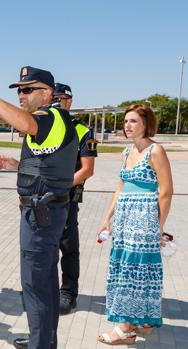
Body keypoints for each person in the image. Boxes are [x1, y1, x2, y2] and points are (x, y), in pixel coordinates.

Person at [0, 58, 77, 349]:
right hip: (43, 211)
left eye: (28, 89)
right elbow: (46, 165)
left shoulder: (50, 117)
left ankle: (40, 344)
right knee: (44, 286)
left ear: (48, 93)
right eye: (19, 90)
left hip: (42, 216)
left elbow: (26, 123)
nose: (21, 95)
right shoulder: (53, 122)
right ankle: (43, 340)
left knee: (35, 289)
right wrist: (18, 169)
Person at [0, 83, 97, 315]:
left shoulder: (80, 130)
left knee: (68, 248)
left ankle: (68, 291)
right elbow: (42, 168)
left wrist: (56, 187)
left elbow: (87, 170)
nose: (60, 102)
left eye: (64, 99)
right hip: (42, 202)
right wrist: (18, 167)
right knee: (44, 254)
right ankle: (43, 299)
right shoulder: (40, 124)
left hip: (65, 199)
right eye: (57, 98)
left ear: (69, 102)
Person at [97, 104, 173, 345]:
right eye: (126, 121)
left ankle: (124, 329)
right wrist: (107, 217)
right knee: (127, 269)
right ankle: (143, 321)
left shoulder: (156, 151)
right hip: (124, 218)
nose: (127, 126)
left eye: (133, 121)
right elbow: (120, 188)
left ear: (146, 124)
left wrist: (157, 226)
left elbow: (167, 192)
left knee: (135, 271)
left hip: (145, 220)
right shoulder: (126, 151)